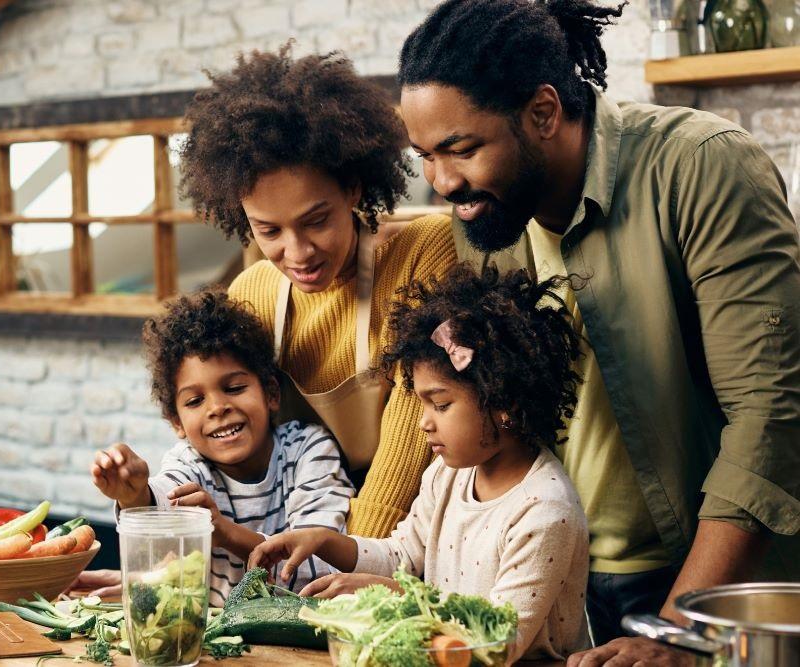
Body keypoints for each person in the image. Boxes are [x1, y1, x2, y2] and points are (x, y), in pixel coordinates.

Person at [397, 0, 800, 663]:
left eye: (460, 148)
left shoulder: (700, 168)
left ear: (545, 113)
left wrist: (683, 633)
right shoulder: (487, 220)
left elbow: (770, 417)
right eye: (425, 156)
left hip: (707, 585)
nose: (443, 182)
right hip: (566, 577)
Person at [179, 44, 458, 540]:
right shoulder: (253, 293)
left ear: (352, 188)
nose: (298, 252)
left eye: (316, 221)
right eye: (269, 231)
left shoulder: (422, 255)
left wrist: (351, 561)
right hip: (303, 533)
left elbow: (411, 432)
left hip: (415, 532)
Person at [250, 264, 591, 662]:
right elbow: (401, 557)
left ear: (504, 402)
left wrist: (400, 599)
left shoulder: (545, 511)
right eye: (422, 403)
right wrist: (324, 541)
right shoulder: (447, 474)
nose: (423, 422)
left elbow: (499, 642)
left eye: (441, 405)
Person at [85, 291, 354, 606]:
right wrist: (133, 495)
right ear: (177, 423)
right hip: (217, 640)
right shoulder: (189, 464)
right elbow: (160, 505)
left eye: (235, 388)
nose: (217, 407)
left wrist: (226, 533)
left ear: (270, 393)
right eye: (195, 401)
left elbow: (320, 568)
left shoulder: (310, 450)